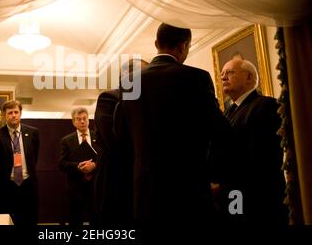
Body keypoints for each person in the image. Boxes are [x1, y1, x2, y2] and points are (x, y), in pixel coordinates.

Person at [121, 23, 231, 224]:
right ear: (184, 46)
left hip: (145, 189)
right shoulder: (197, 78)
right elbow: (219, 131)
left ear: (156, 43)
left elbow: (121, 136)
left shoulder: (130, 82)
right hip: (187, 188)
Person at [221, 58, 287, 224]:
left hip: (259, 199)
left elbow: (261, 156)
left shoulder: (266, 105)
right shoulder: (227, 113)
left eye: (229, 72)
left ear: (249, 77)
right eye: (222, 74)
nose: (223, 77)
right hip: (234, 197)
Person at [94, 58, 149, 225]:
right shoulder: (109, 98)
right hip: (116, 180)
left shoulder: (147, 100)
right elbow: (115, 142)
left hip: (141, 180)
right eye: (144, 74)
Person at [0, 100, 40, 226]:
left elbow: (34, 156)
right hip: (7, 186)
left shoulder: (33, 132)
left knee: (28, 220)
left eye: (16, 112)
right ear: (4, 115)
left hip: (27, 185)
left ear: (20, 113)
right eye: (10, 113)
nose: (13, 115)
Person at [59, 107, 99, 226]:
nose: (82, 121)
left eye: (84, 119)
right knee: (75, 221)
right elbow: (61, 164)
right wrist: (77, 166)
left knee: (96, 220)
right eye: (78, 119)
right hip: (76, 188)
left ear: (88, 120)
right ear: (73, 122)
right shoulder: (66, 140)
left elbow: (107, 159)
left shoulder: (99, 137)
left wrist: (95, 165)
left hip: (96, 187)